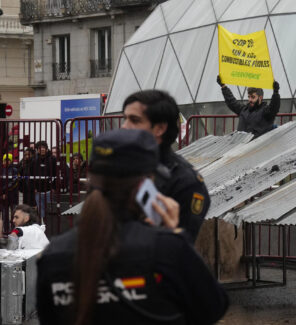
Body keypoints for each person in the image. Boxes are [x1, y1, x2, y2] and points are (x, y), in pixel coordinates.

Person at [36, 129, 228, 325]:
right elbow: (212, 308)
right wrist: (177, 237)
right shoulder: (167, 248)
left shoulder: (52, 255)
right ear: (144, 186)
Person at [121, 90, 209, 243]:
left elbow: (181, 248)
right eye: (125, 119)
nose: (124, 127)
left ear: (159, 129)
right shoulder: (121, 166)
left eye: (134, 120)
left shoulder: (186, 182)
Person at [216, 75, 281, 138]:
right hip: (240, 145)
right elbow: (232, 102)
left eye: (253, 97)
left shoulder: (265, 112)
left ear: (260, 98)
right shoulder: (244, 109)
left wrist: (276, 93)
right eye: (249, 97)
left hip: (256, 147)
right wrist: (223, 87)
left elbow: (274, 108)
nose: (250, 100)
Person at [33, 141, 57, 221]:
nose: (42, 149)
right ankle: (43, 227)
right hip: (38, 191)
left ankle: (50, 229)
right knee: (41, 212)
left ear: (46, 149)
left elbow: (55, 174)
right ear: (37, 149)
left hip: (49, 190)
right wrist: (34, 187)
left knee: (50, 210)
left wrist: (54, 187)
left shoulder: (52, 159)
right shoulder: (34, 159)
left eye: (43, 147)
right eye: (40, 148)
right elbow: (32, 174)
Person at [1, 154, 19, 234]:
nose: (7, 162)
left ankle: (13, 231)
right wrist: (2, 193)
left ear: (11, 161)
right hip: (3, 196)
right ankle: (6, 230)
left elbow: (15, 181)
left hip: (13, 195)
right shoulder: (1, 170)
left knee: (14, 215)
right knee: (5, 215)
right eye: (5, 160)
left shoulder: (15, 170)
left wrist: (5, 189)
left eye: (8, 160)